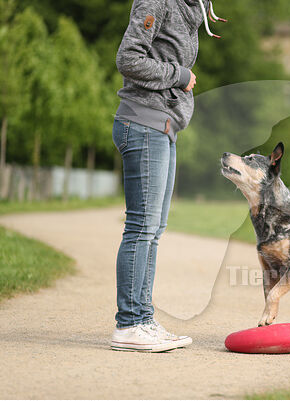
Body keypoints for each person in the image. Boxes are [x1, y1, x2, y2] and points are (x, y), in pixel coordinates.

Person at [110, 0, 207, 352]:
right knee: (141, 228)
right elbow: (129, 58)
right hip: (142, 123)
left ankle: (143, 318)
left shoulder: (190, 8)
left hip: (163, 126)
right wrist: (178, 76)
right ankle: (129, 324)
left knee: (153, 230)